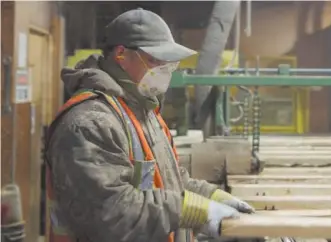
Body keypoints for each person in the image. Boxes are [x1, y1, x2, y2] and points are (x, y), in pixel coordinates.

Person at [45, 8, 254, 242]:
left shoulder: (142, 112)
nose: (165, 68)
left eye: (169, 61)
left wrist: (212, 197)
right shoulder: (89, 123)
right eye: (156, 59)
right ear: (121, 54)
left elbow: (168, 180)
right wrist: (193, 211)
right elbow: (109, 211)